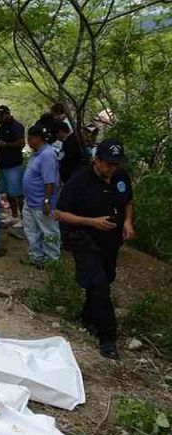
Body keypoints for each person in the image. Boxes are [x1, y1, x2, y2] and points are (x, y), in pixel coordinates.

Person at [56, 140, 135, 359]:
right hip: (84, 239)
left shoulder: (121, 176)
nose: (112, 168)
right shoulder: (79, 181)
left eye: (116, 164)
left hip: (111, 241)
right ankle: (107, 337)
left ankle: (87, 317)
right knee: (99, 284)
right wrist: (92, 222)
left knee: (105, 279)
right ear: (97, 160)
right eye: (108, 164)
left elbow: (128, 201)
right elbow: (59, 213)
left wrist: (128, 222)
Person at [22, 125, 61, 267]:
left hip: (42, 201)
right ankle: (36, 257)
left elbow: (50, 181)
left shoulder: (47, 154)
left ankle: (52, 260)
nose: (28, 141)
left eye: (30, 138)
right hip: (30, 200)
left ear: (38, 138)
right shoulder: (37, 153)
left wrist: (46, 200)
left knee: (49, 231)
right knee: (32, 231)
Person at [0, 105, 26, 226]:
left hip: (14, 165)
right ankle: (14, 215)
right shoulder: (1, 128)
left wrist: (6, 145)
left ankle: (23, 218)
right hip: (3, 164)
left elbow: (21, 143)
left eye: (1, 116)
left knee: (18, 193)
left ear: (7, 114)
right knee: (8, 192)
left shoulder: (16, 126)